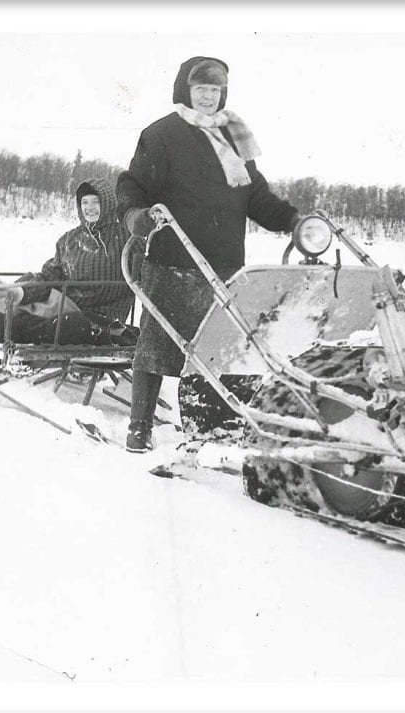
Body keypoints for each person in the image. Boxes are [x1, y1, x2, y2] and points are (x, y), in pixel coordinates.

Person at [117, 56, 300, 452]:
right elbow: (132, 187)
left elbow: (258, 198)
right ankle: (139, 426)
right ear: (186, 89)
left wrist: (294, 221)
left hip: (224, 265)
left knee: (220, 351)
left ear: (223, 93)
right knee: (156, 346)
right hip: (173, 260)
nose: (207, 96)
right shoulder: (162, 134)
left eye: (214, 90)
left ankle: (211, 430)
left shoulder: (234, 137)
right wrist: (136, 215)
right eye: (200, 88)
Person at [0, 178, 141, 349]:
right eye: (84, 202)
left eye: (96, 202)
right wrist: (20, 291)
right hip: (66, 308)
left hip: (103, 319)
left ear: (108, 203)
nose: (89, 208)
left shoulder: (126, 238)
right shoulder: (69, 240)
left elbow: (145, 271)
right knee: (24, 319)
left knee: (62, 325)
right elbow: (50, 276)